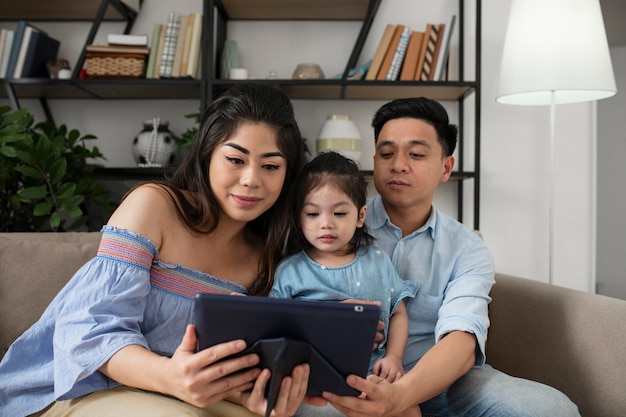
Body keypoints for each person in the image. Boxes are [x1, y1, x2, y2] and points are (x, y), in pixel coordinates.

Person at [0, 83, 312, 417]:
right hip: (83, 386)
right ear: (207, 154)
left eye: (270, 166)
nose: (251, 179)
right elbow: (88, 331)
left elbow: (232, 367)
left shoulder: (270, 258)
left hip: (185, 398)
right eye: (235, 159)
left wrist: (248, 396)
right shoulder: (154, 206)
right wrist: (170, 377)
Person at [301, 97, 581, 416]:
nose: (398, 165)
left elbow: (462, 338)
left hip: (442, 382)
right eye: (387, 153)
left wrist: (402, 395)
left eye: (416, 154)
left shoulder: (466, 248)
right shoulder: (331, 224)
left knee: (550, 409)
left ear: (446, 167)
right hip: (350, 376)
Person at [269, 151, 420, 417]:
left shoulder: (377, 261)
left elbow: (398, 312)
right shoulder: (291, 271)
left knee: (410, 410)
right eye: (313, 214)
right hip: (313, 382)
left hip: (371, 376)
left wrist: (394, 358)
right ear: (299, 217)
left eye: (339, 213)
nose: (326, 223)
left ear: (360, 216)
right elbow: (276, 327)